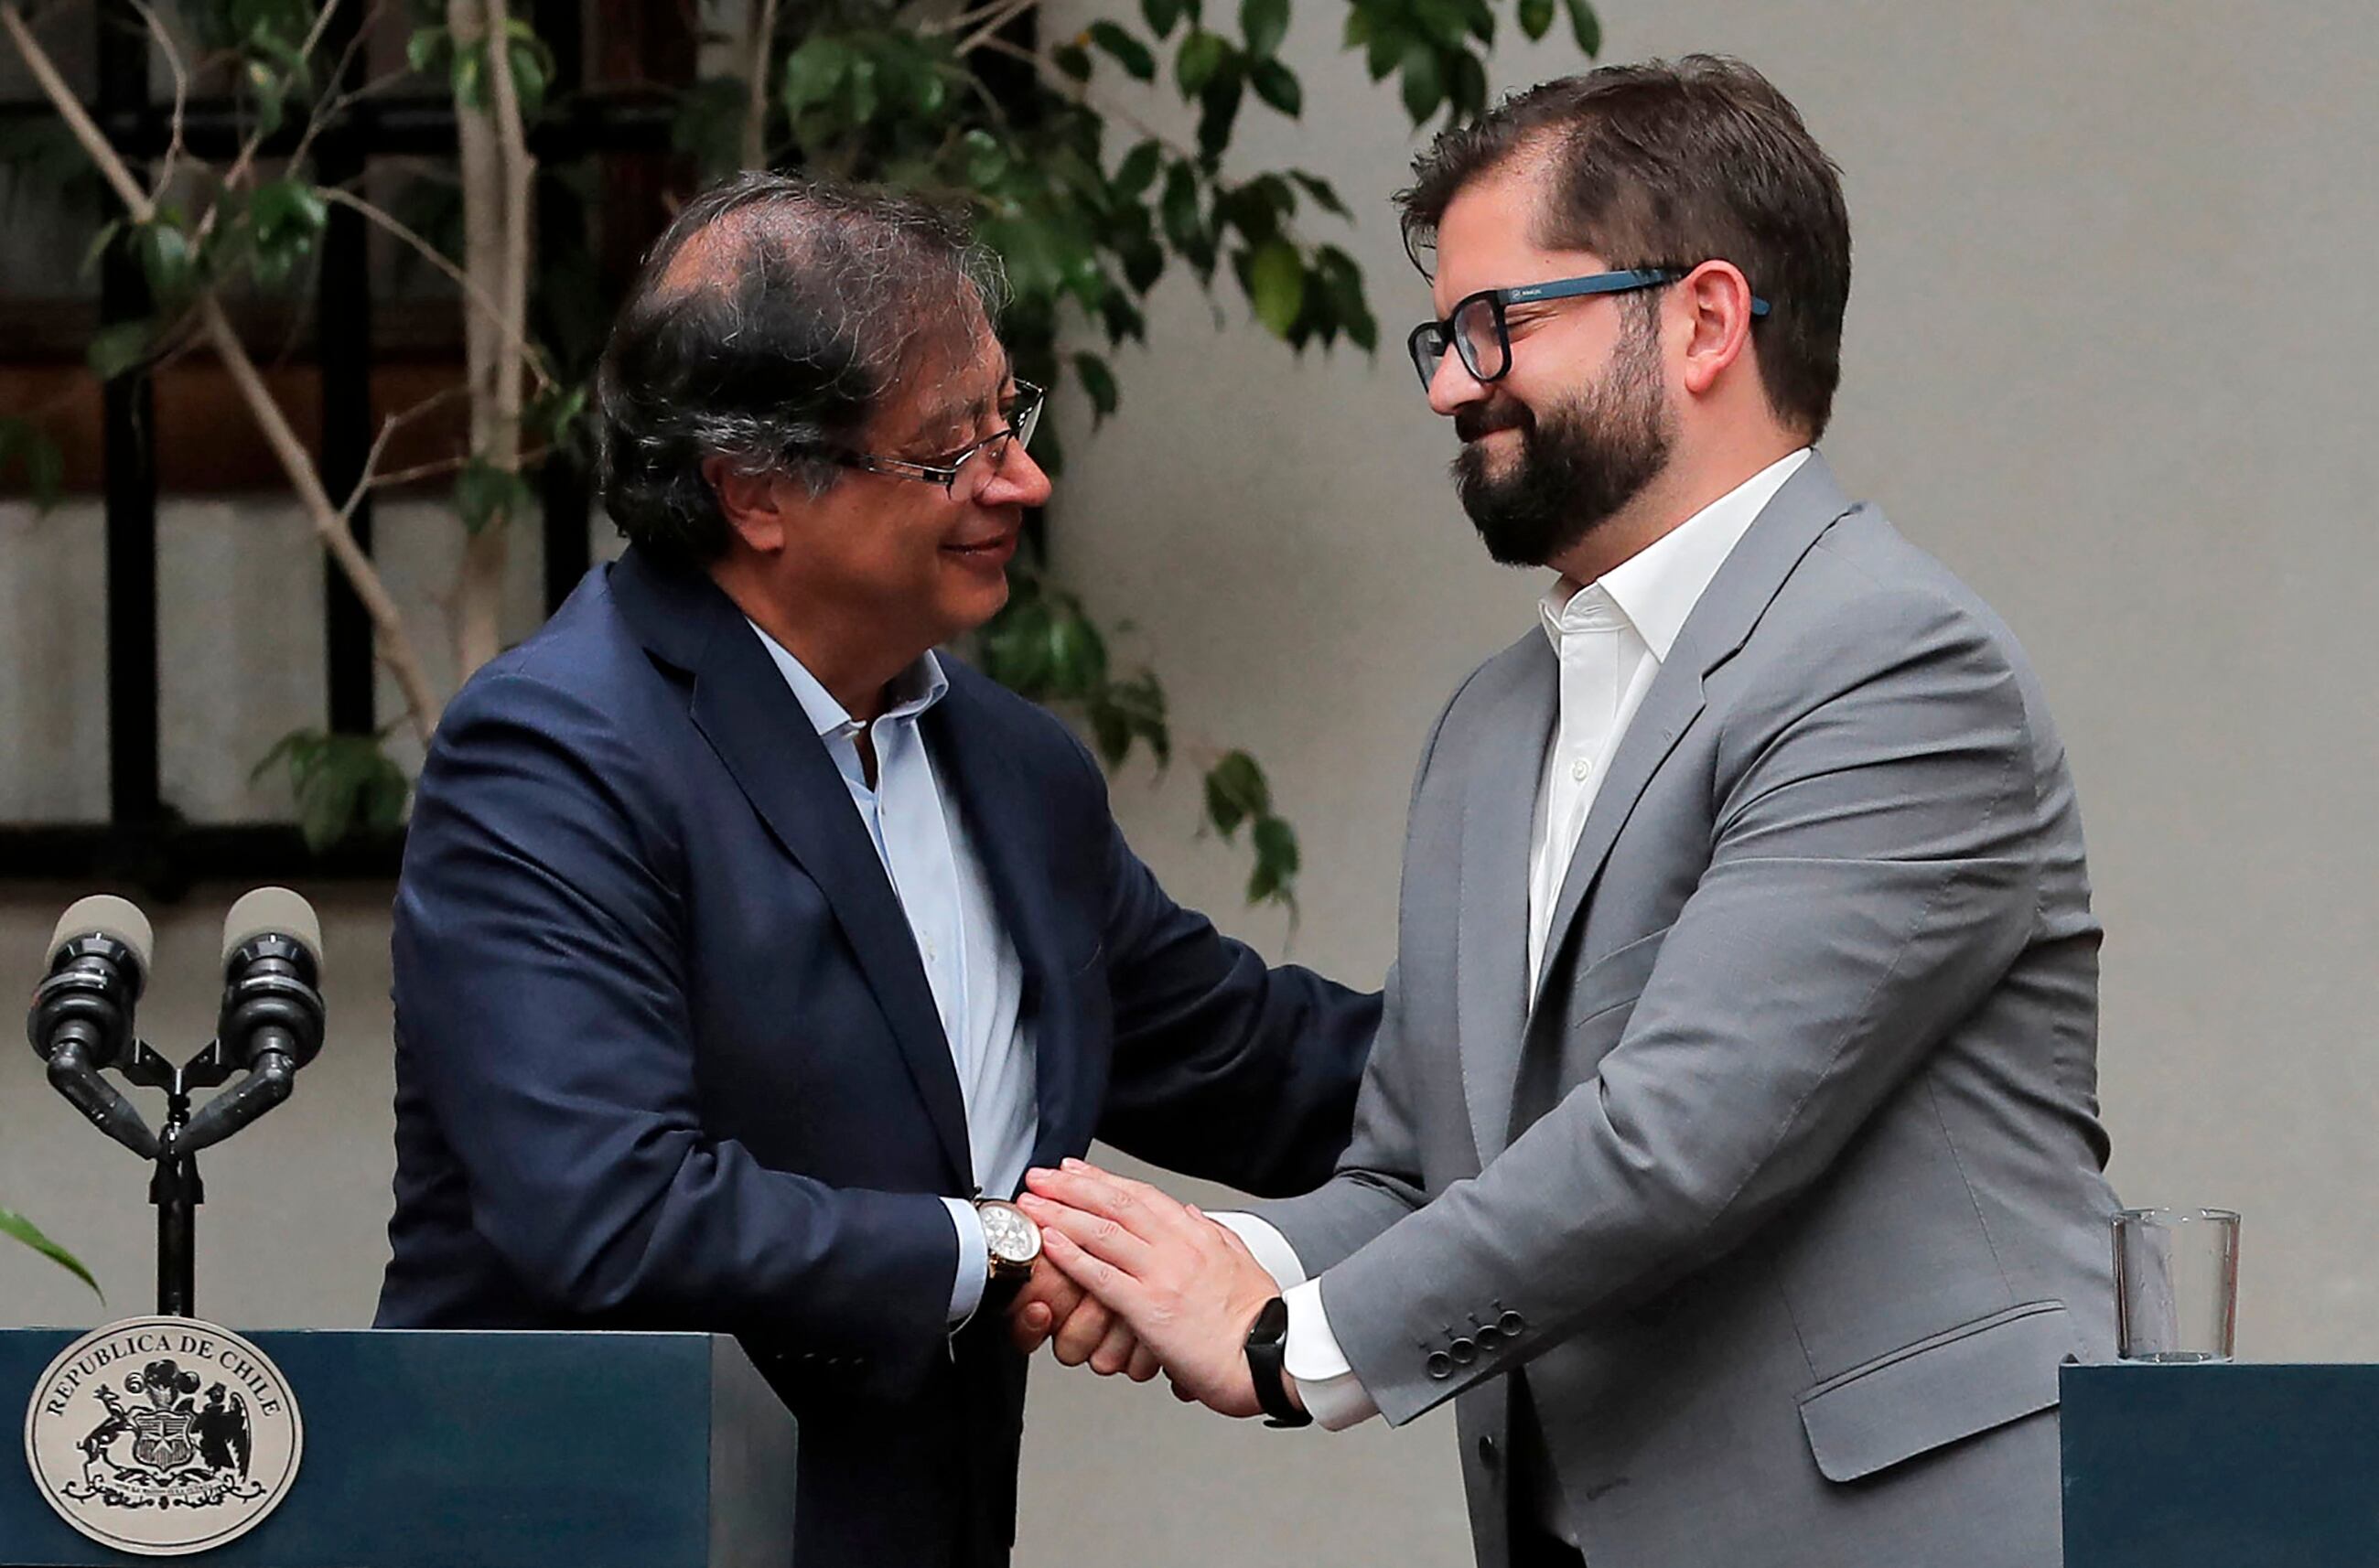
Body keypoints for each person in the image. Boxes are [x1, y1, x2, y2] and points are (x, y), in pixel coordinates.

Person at [1022, 56, 2120, 1568]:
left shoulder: (1892, 664)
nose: (1446, 382)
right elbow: (1414, 1168)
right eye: (1442, 331)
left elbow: (1678, 1138)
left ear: (1705, 320)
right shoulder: (1491, 721)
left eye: (1498, 326)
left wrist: (1293, 1340)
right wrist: (1224, 1259)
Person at [373, 172, 1379, 1568]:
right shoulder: (556, 753)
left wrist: (1634, 1042)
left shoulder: (1012, 767)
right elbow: (605, 1208)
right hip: (606, 1526)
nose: (1020, 479)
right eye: (948, 450)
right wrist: (1005, 1255)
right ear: (757, 490)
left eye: (1007, 419)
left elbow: (1263, 1061)